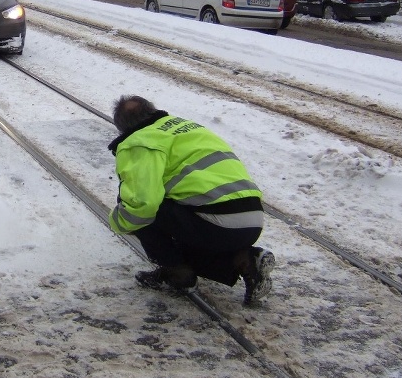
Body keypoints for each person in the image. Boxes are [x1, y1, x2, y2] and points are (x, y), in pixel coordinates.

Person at [107, 95, 276, 306]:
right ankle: (244, 260)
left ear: (123, 128)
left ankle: (178, 275)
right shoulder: (187, 127)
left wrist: (117, 222)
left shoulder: (138, 142)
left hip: (217, 225)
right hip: (252, 219)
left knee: (139, 213)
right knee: (182, 213)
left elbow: (142, 204)